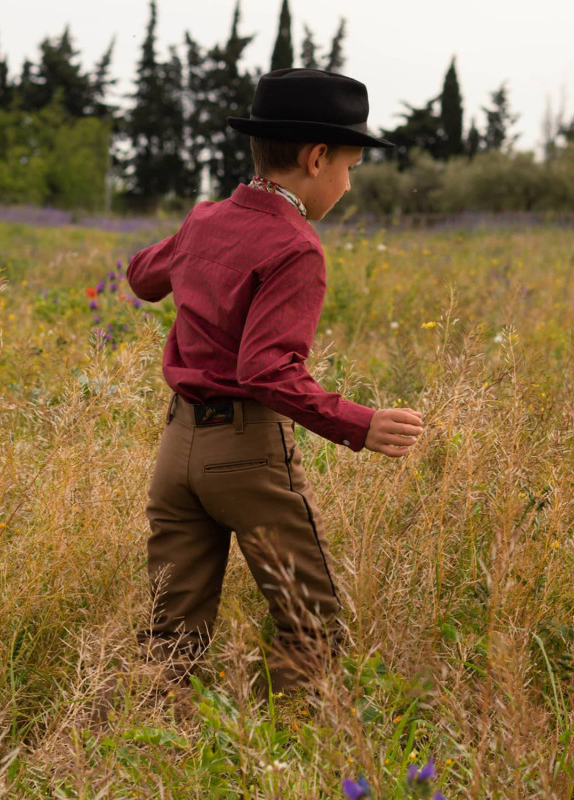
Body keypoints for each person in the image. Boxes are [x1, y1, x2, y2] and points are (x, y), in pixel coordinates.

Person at [127, 68, 423, 694]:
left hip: (176, 451)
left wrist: (193, 241)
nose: (347, 183)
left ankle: (141, 760)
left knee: (170, 638)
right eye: (351, 166)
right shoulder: (296, 247)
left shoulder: (206, 219)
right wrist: (359, 423)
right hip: (246, 457)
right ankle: (275, 765)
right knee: (311, 627)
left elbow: (140, 277)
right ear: (318, 158)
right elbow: (264, 369)